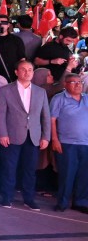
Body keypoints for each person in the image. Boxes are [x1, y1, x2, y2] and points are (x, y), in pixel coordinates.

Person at [0, 59, 51, 210]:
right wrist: (3, 134)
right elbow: (1, 114)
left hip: (33, 136)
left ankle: (29, 199)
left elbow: (45, 116)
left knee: (30, 170)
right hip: (12, 135)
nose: (27, 73)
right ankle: (7, 197)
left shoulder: (40, 92)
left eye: (30, 70)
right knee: (9, 168)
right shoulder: (5, 90)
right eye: (24, 70)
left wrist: (46, 136)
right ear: (16, 72)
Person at [49, 72, 88, 211]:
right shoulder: (59, 98)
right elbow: (52, 120)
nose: (78, 84)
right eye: (73, 82)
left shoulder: (86, 98)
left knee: (84, 175)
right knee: (67, 174)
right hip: (67, 143)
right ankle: (62, 203)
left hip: (86, 143)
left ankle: (80, 202)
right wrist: (54, 139)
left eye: (80, 82)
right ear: (65, 84)